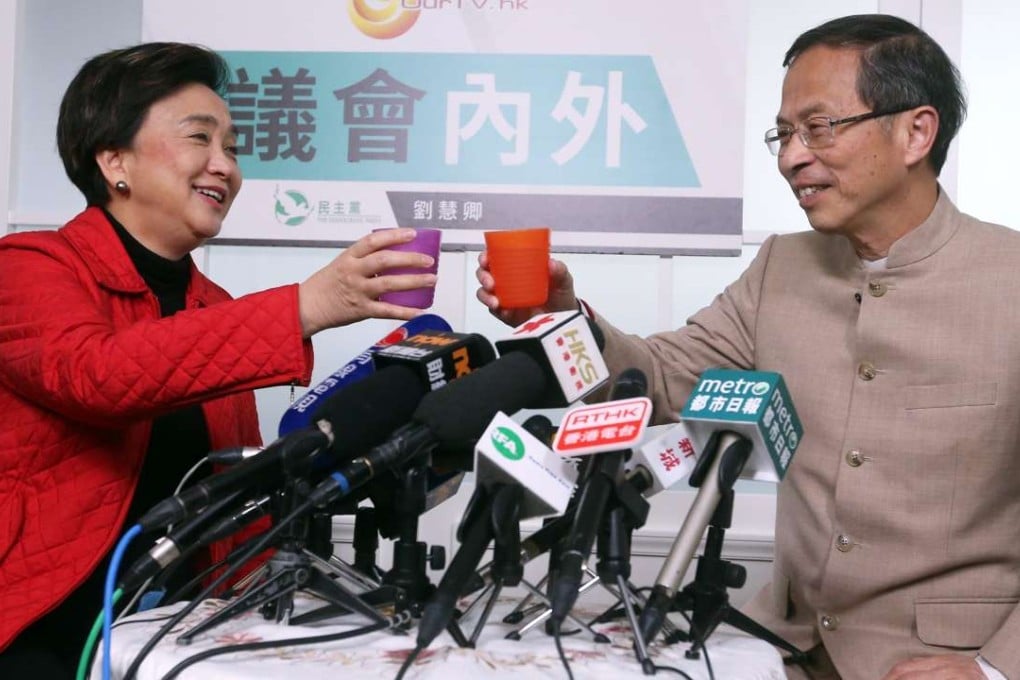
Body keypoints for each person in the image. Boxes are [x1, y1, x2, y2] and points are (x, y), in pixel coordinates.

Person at [477, 14, 1018, 680]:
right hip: (778, 650)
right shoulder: (780, 267)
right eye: (784, 133)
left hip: (947, 660)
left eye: (819, 127)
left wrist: (995, 669)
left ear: (916, 131)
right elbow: (660, 378)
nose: (793, 156)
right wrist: (561, 321)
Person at [0, 42, 437, 677]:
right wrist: (304, 308)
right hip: (43, 628)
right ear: (113, 160)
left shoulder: (215, 305)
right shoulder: (29, 267)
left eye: (232, 148)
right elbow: (98, 376)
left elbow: (234, 497)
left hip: (174, 637)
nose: (223, 166)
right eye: (199, 138)